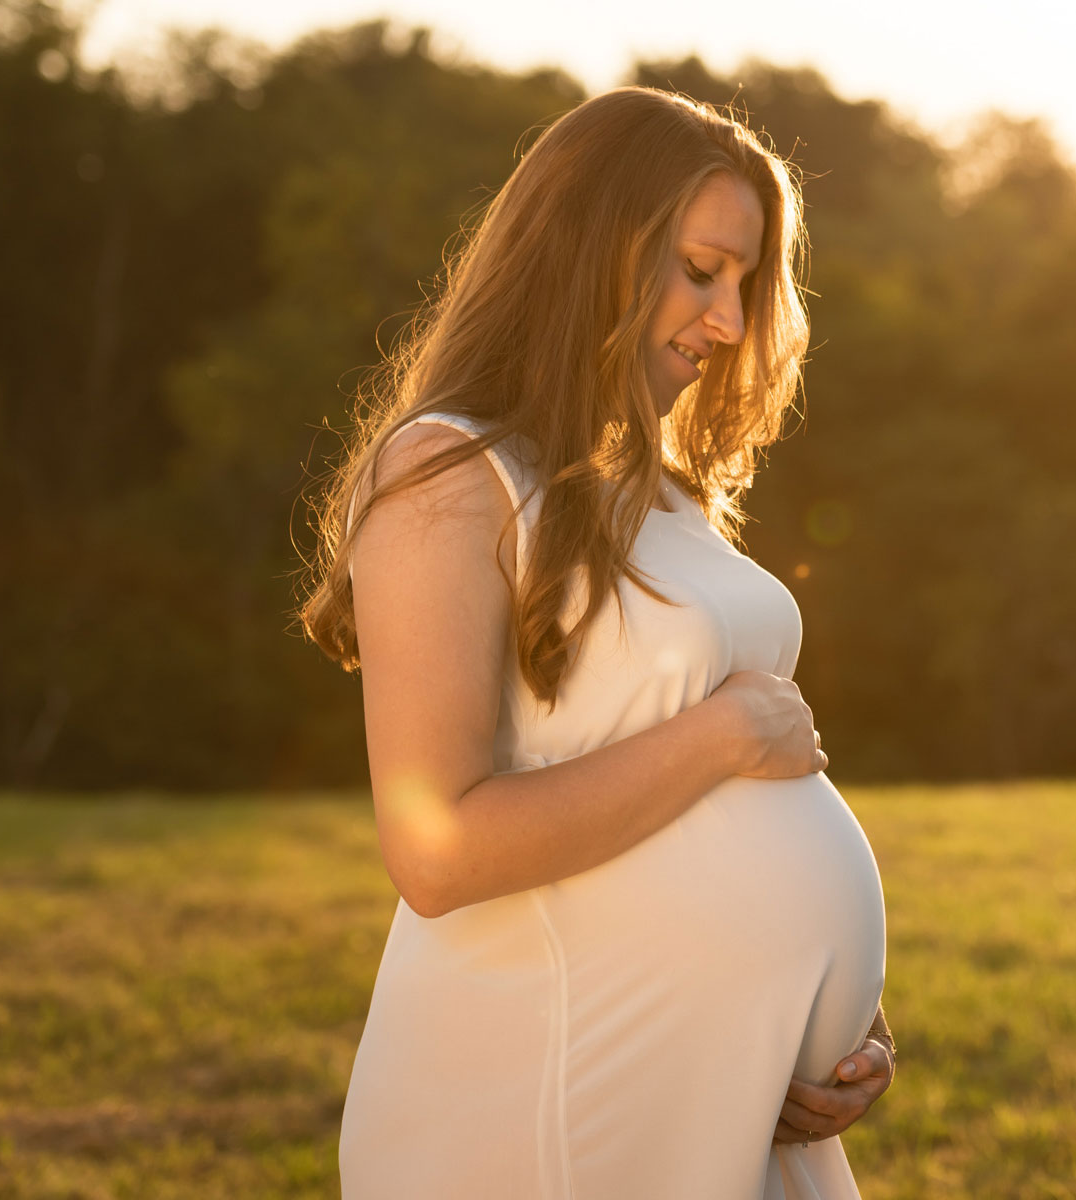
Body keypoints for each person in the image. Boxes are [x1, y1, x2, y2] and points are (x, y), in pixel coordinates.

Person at [298, 86, 893, 1198]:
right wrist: (721, 737)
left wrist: (837, 1020)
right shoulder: (449, 472)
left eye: (745, 285)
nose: (728, 323)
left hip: (717, 1090)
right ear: (588, 250)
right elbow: (435, 854)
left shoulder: (658, 486)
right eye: (701, 270)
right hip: (552, 1094)